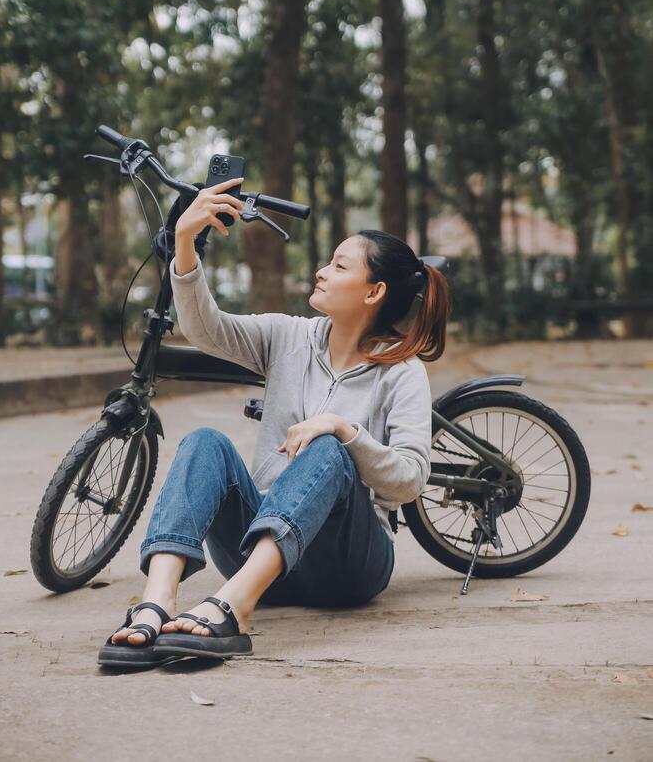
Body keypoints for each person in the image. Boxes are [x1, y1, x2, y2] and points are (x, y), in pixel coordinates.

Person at [98, 177, 449, 667]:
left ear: (374, 293)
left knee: (329, 446)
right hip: (260, 555)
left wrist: (342, 429)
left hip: (347, 568)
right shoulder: (288, 337)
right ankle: (156, 602)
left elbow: (410, 482)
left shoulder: (402, 372)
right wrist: (183, 242)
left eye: (339, 265)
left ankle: (233, 609)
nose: (322, 272)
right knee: (204, 442)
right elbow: (206, 329)